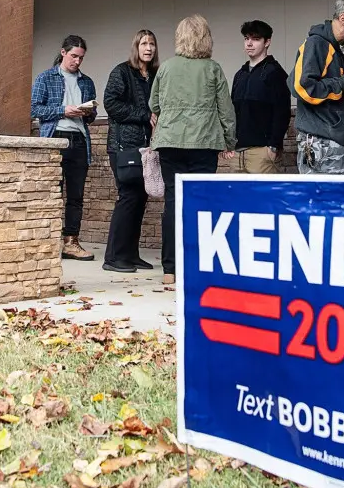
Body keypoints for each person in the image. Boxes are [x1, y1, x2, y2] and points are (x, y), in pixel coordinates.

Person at [149, 15, 236, 285]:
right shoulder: (213, 69)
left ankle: (169, 270)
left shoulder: (165, 68)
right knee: (202, 205)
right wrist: (229, 142)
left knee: (173, 203)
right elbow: (226, 111)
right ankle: (198, 266)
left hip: (170, 143)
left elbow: (154, 104)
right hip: (204, 144)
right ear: (206, 38)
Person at [31, 35, 98, 261]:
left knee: (76, 195)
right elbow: (33, 109)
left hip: (79, 139)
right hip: (55, 137)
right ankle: (49, 242)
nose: (77, 62)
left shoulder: (86, 82)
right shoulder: (45, 77)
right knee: (53, 192)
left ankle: (71, 242)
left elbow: (92, 117)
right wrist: (63, 110)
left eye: (81, 58)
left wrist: (87, 112)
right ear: (63, 53)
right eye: (73, 56)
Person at [292, 0, 344, 174]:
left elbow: (338, 96)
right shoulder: (316, 44)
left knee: (342, 201)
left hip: (339, 141)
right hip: (321, 144)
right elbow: (302, 87)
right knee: (326, 201)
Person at [102, 29, 159, 273]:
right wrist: (144, 115)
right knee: (127, 198)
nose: (148, 48)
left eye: (152, 44)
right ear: (136, 47)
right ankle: (114, 257)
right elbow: (111, 104)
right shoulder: (122, 71)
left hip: (146, 148)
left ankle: (131, 254)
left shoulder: (155, 74)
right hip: (123, 147)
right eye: (144, 43)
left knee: (140, 199)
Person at [228, 20, 290, 174]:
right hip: (238, 153)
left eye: (255, 39)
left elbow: (282, 112)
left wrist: (273, 146)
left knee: (265, 197)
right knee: (237, 198)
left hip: (262, 152)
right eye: (246, 38)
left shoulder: (275, 73)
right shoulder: (240, 75)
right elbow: (232, 111)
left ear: (267, 42)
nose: (249, 43)